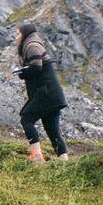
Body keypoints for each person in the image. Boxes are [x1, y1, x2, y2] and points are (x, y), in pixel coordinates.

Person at [12, 24, 71, 163]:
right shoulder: (34, 44)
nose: (16, 38)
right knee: (53, 132)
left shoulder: (31, 46)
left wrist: (22, 72)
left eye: (18, 34)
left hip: (46, 93)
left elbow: (37, 68)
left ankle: (37, 155)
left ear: (25, 34)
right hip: (53, 94)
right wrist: (23, 73)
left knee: (26, 118)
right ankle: (64, 162)